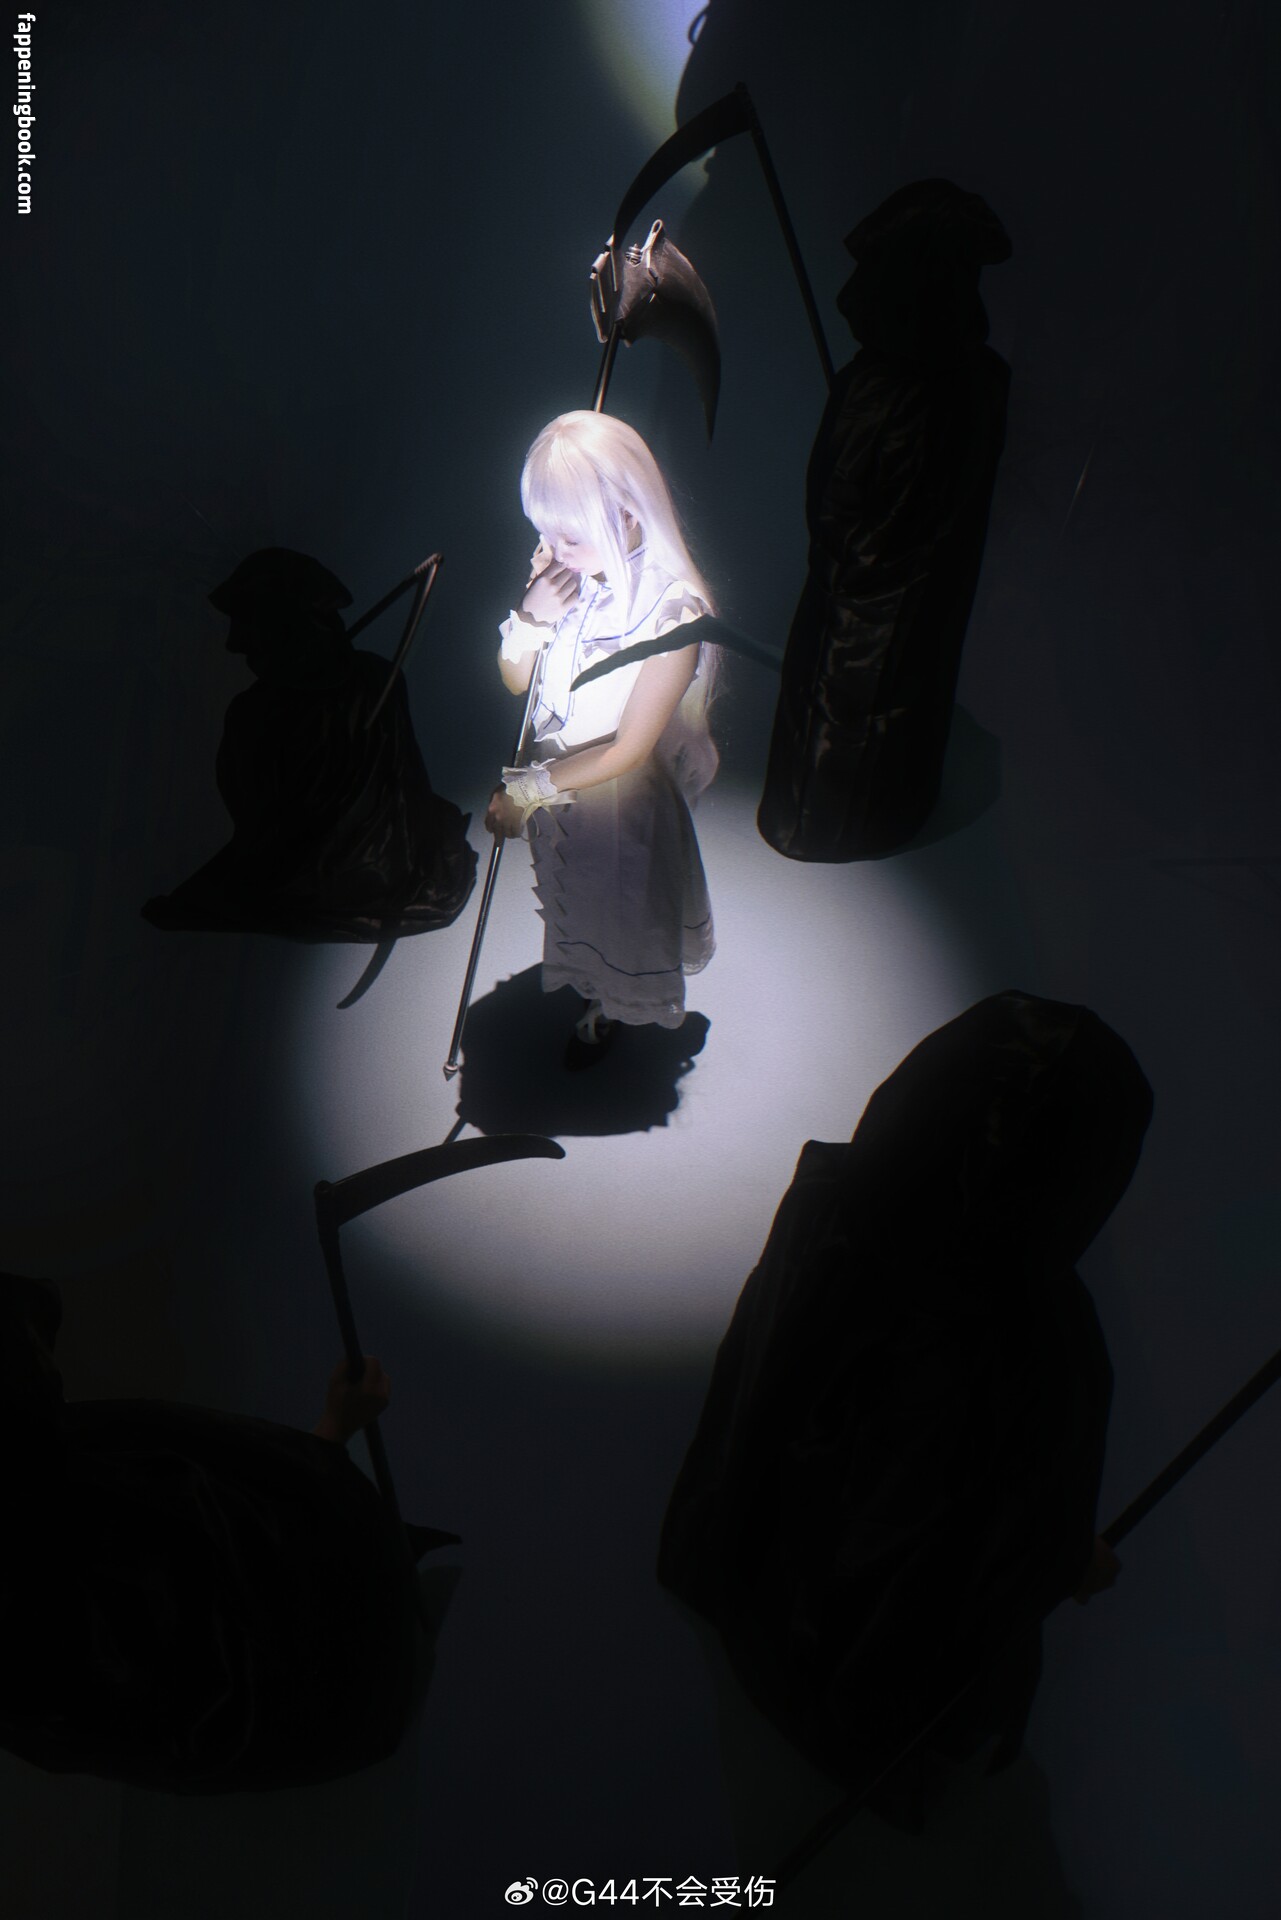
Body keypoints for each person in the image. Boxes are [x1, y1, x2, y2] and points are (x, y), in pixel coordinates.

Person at [0, 1271, 454, 1793]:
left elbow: (229, 1547)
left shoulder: (68, 1468)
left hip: (337, 1728)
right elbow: (225, 1613)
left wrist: (328, 1437)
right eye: (31, 1351)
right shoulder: (66, 1509)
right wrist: (323, 1455)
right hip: (367, 1691)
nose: (48, 1366)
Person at [484, 411, 719, 1063]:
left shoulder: (673, 614)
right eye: (543, 532)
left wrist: (526, 791)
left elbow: (628, 749)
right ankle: (592, 986)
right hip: (560, 798)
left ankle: (610, 1005)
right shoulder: (563, 582)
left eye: (569, 536)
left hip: (617, 806)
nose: (551, 551)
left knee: (622, 911)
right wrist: (532, 615)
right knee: (577, 901)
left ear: (627, 515)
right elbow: (516, 682)